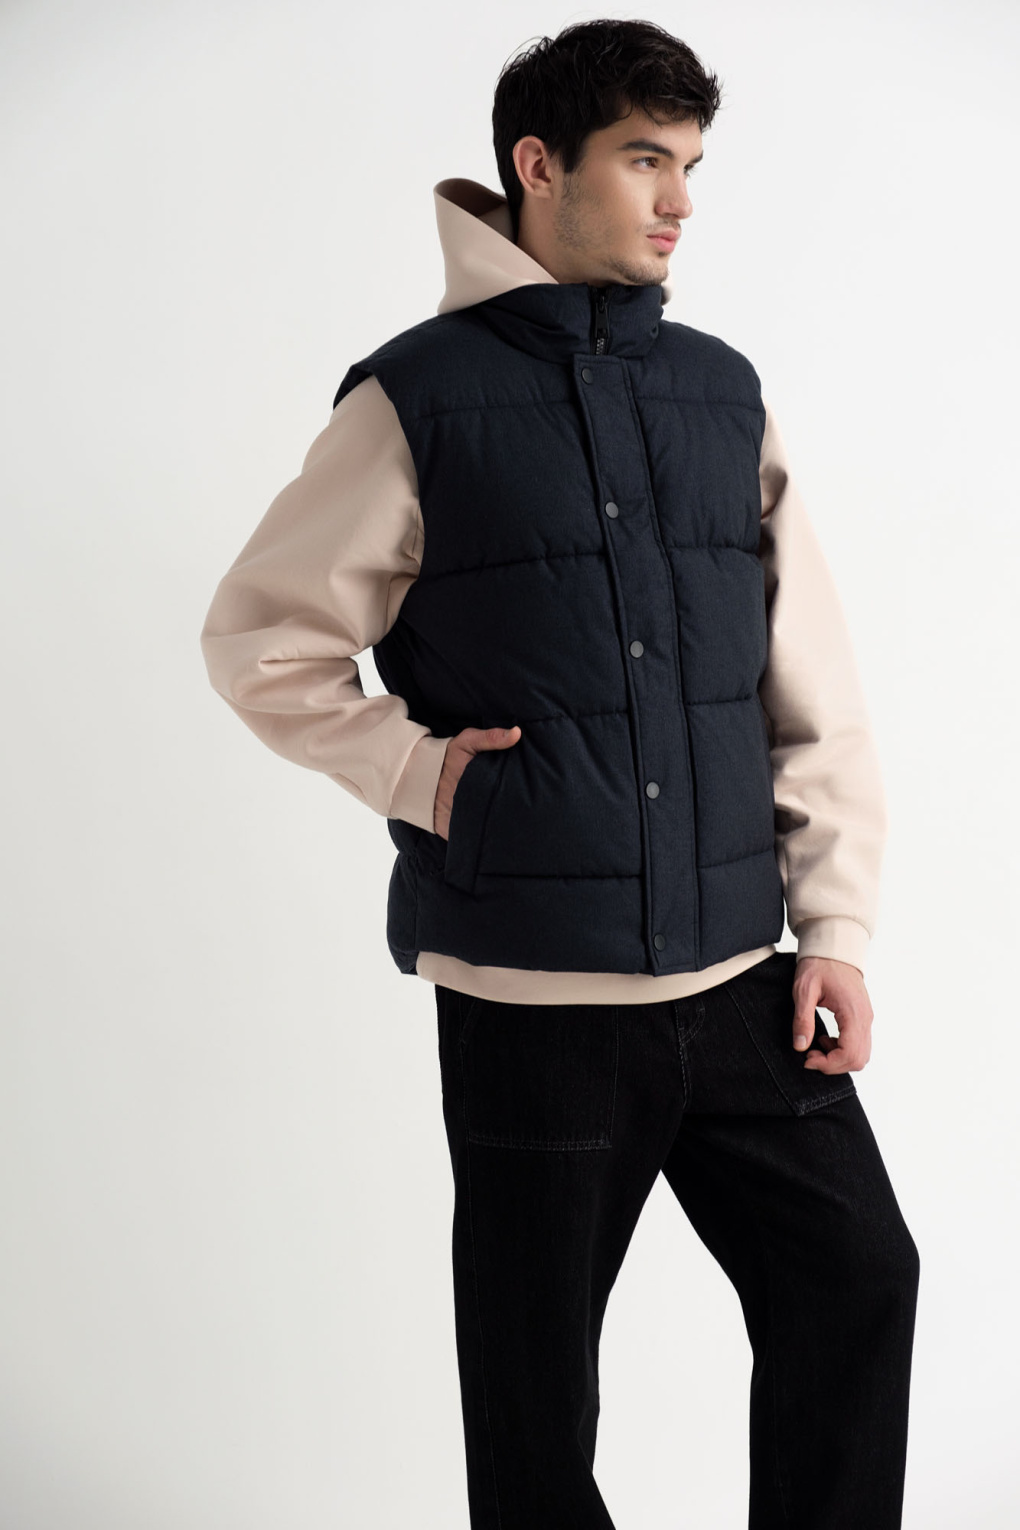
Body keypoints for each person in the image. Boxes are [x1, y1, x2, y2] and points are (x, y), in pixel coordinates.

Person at [199, 18, 920, 1529]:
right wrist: (424, 776)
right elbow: (261, 640)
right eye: (646, 160)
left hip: (739, 980)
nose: (680, 201)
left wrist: (838, 928)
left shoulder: (722, 393)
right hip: (535, 1002)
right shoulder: (415, 400)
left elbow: (811, 682)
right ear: (539, 165)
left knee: (859, 1277)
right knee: (536, 1402)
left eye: (692, 165)